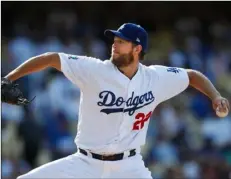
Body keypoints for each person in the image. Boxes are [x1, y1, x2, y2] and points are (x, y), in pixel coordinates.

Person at [3, 23, 230, 178]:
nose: (114, 44)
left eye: (122, 41)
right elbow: (51, 58)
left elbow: (191, 76)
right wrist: (8, 78)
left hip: (129, 167)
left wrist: (215, 96)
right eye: (115, 39)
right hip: (84, 164)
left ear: (137, 48)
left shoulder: (155, 77)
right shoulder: (94, 69)